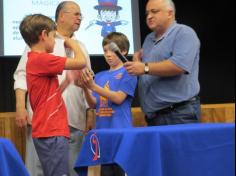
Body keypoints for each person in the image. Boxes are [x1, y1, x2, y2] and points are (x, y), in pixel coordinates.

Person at [14, 1, 91, 176]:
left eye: (81, 14)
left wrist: (90, 111)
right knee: (40, 171)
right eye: (76, 13)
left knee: (72, 170)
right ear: (61, 16)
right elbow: (21, 76)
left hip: (74, 120)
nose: (80, 17)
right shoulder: (39, 45)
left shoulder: (82, 46)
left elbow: (87, 79)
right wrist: (20, 107)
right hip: (45, 124)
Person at [124, 0, 201, 126]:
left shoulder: (184, 33)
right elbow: (149, 71)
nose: (149, 16)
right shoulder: (149, 39)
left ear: (170, 13)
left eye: (154, 11)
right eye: (147, 13)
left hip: (179, 114)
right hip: (153, 116)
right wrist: (138, 64)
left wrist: (144, 67)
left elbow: (179, 65)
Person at [80, 32, 137, 176]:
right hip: (103, 135)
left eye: (112, 50)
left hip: (121, 133)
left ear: (123, 51)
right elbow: (93, 104)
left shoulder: (129, 72)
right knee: (106, 172)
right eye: (105, 51)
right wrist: (85, 88)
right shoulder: (99, 76)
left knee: (121, 171)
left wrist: (93, 87)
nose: (108, 54)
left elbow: (118, 98)